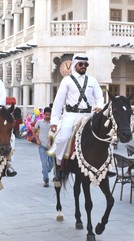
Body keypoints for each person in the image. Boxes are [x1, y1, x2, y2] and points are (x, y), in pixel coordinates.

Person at [50, 54, 104, 182]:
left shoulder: (92, 80)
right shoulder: (67, 80)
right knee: (63, 138)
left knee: (105, 137)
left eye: (86, 64)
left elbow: (100, 97)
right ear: (75, 65)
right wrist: (54, 121)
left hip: (88, 115)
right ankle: (59, 166)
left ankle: (104, 166)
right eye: (81, 64)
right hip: (71, 115)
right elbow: (58, 102)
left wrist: (99, 106)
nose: (84, 66)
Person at [33, 107, 54, 187]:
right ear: (44, 114)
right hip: (42, 146)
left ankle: (45, 171)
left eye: (49, 115)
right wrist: (37, 140)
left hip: (51, 147)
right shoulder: (39, 122)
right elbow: (34, 131)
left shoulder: (53, 123)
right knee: (44, 163)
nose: (48, 116)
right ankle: (46, 179)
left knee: (51, 164)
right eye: (46, 114)